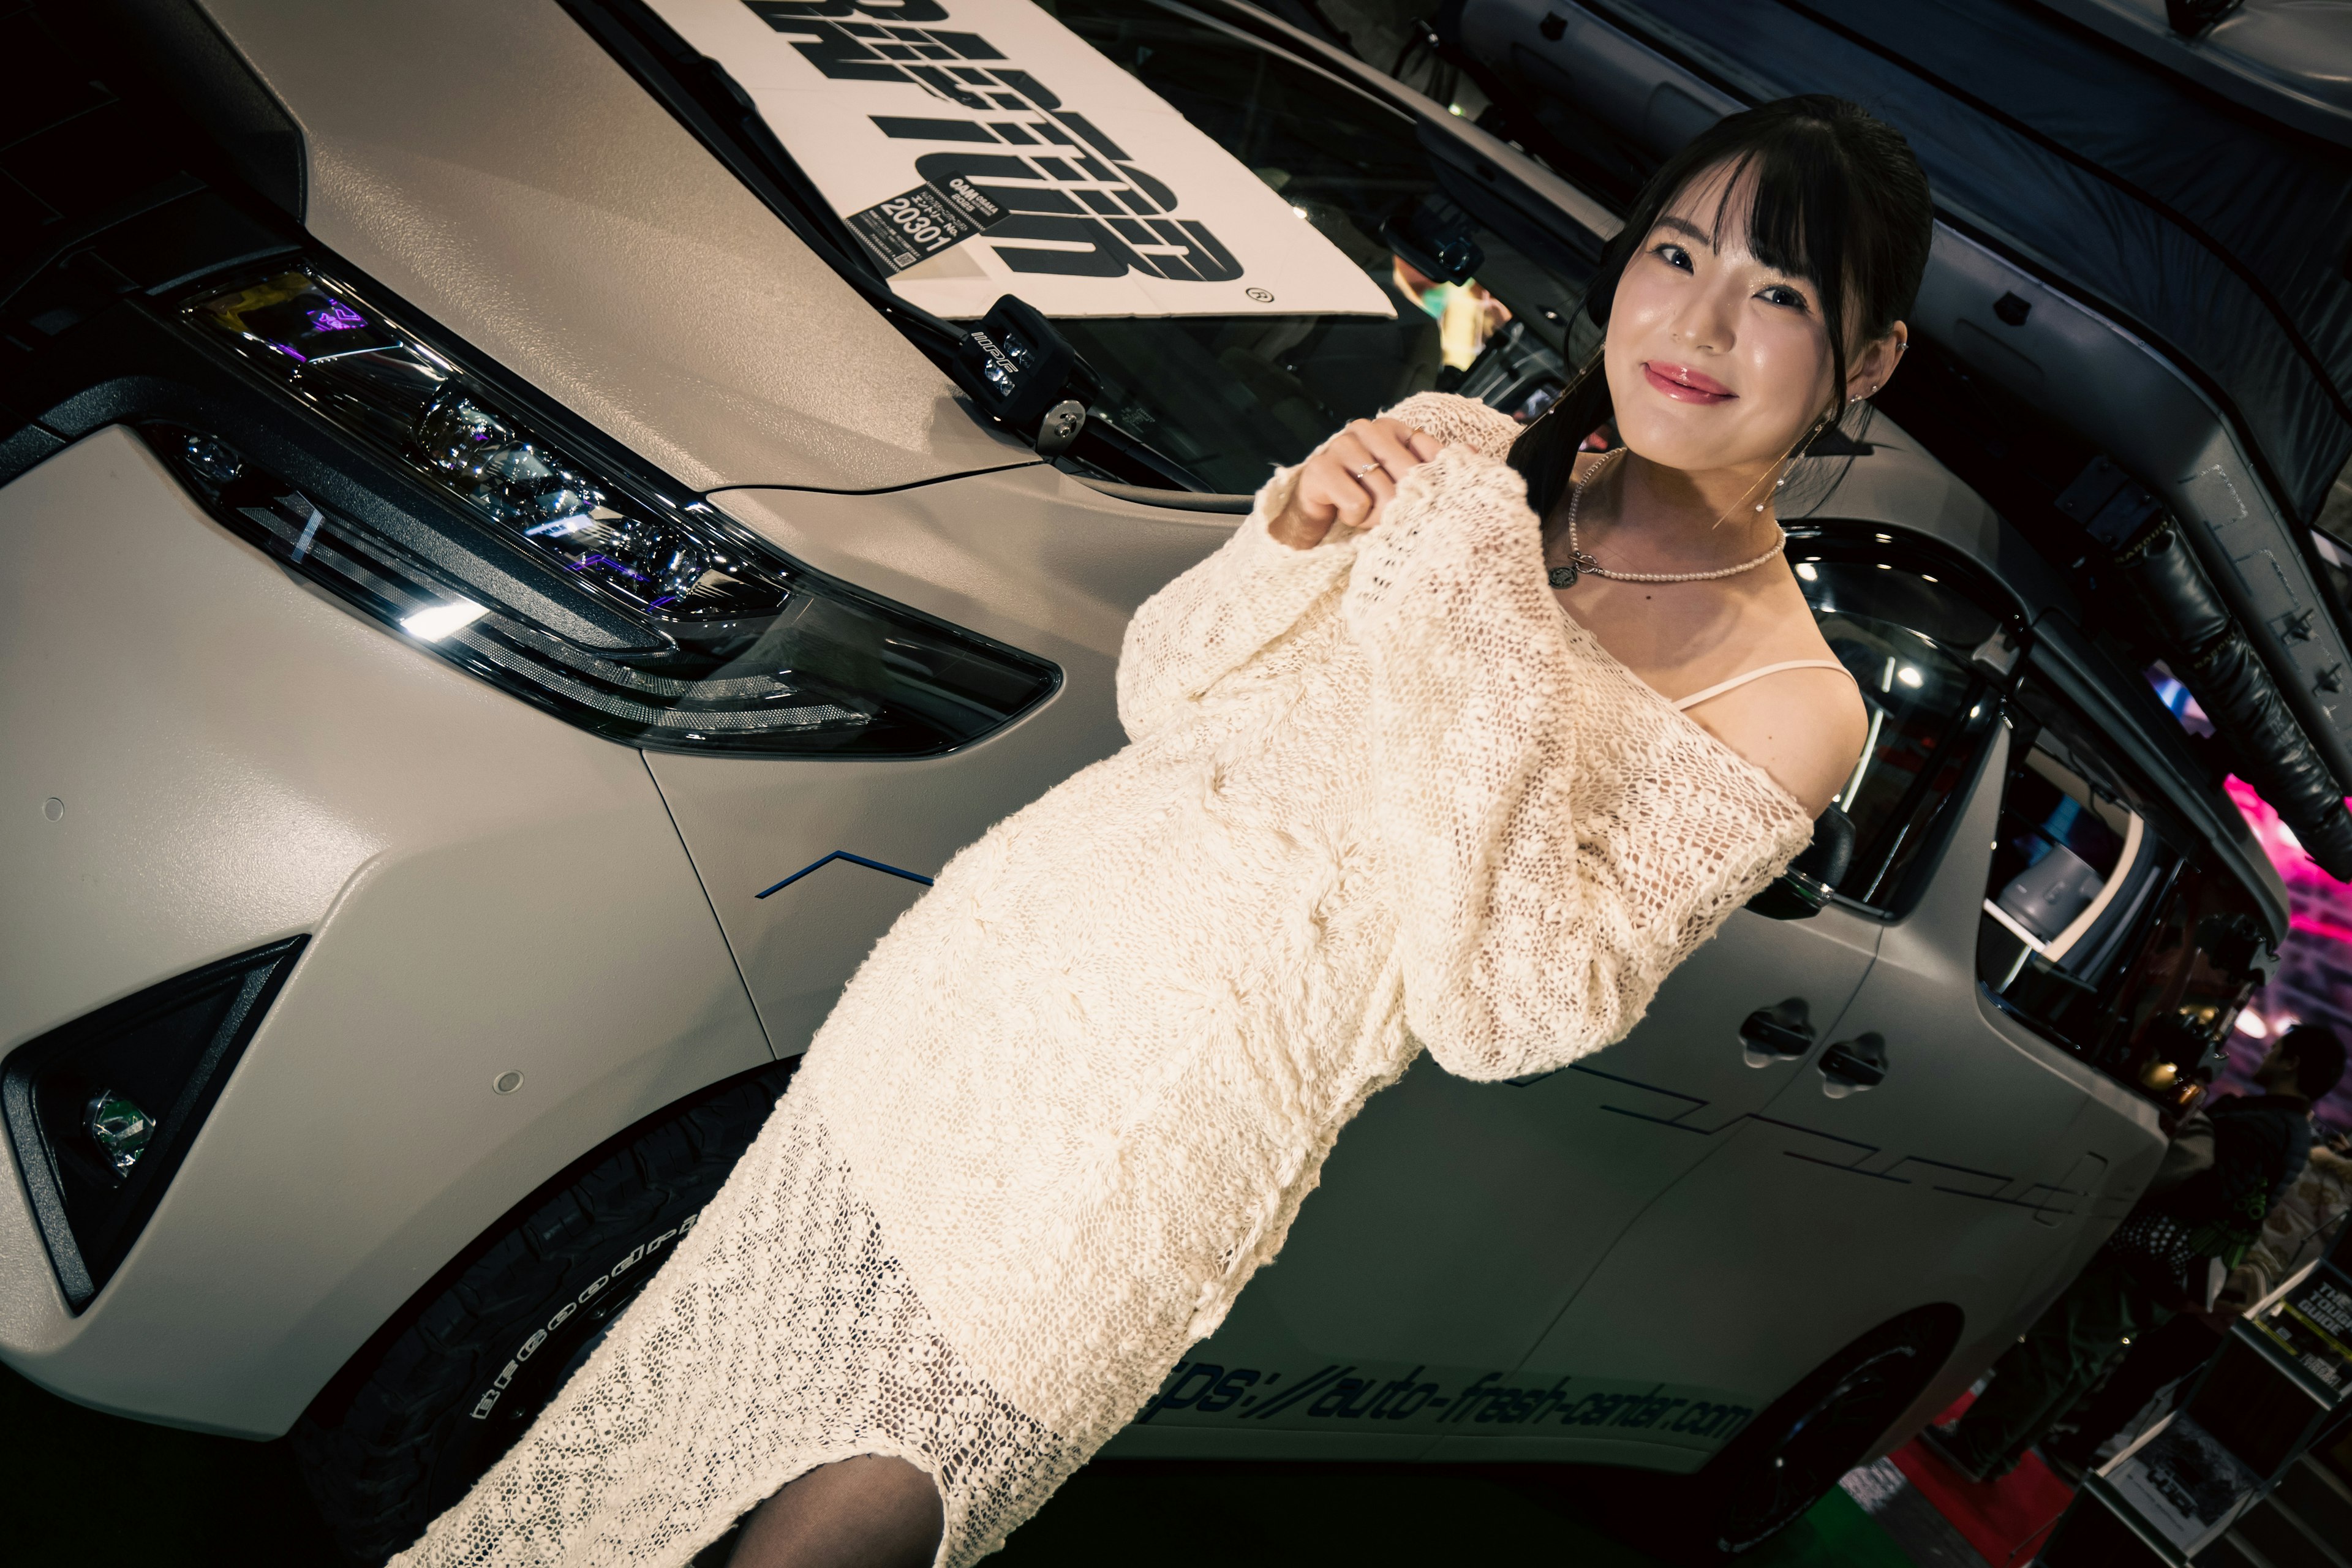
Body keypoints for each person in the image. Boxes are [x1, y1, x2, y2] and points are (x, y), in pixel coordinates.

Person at [391, 95, 1919, 1568]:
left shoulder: (1790, 699)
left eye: (1774, 289)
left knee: (863, 1514)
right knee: (667, 1409)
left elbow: (1507, 1011)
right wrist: (1296, 529)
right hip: (993, 971)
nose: (1698, 324)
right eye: (1674, 253)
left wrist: (1486, 621)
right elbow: (1168, 688)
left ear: (1865, 358)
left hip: (1164, 1138)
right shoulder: (1458, 452)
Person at [1928, 1023, 2345, 1484]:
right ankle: (1999, 1454)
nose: (2267, 1052)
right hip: (2177, 1273)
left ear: (2293, 1064)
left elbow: (2210, 1195)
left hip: (2148, 1259)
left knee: (2057, 1349)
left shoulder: (2262, 1126)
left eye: (2278, 1049)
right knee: (2081, 1361)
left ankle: (1975, 1447)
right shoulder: (2293, 1133)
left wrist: (2191, 1137)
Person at [2042, 1036, 2352, 1475]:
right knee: (2158, 1377)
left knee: (2141, 1367)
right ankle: (2096, 1451)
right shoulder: (2309, 1149)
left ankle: (2080, 1443)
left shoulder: (2314, 1159)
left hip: (2224, 1279)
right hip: (2252, 1297)